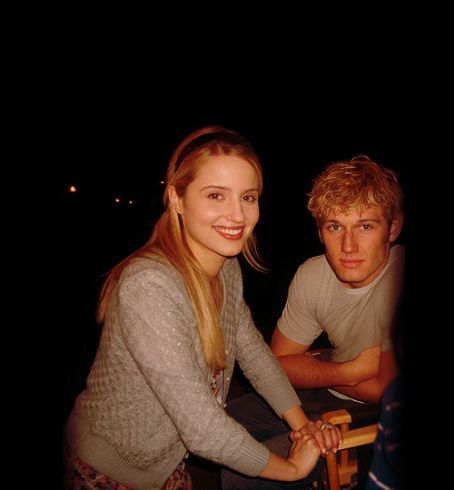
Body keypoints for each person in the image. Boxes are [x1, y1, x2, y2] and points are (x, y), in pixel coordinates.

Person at [63, 125, 341, 490]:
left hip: (165, 465)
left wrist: (302, 426)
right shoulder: (149, 286)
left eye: (248, 197)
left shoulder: (226, 269)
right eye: (215, 195)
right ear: (177, 199)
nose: (237, 215)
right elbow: (202, 428)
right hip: (108, 470)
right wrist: (291, 469)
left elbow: (255, 355)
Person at [222, 155, 405, 489]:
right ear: (320, 232)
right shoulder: (312, 275)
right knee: (224, 424)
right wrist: (348, 371)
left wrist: (316, 366)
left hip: (377, 417)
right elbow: (278, 365)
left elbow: (385, 390)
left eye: (365, 226)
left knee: (243, 476)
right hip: (325, 390)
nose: (348, 246)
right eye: (335, 227)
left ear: (393, 228)